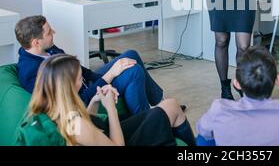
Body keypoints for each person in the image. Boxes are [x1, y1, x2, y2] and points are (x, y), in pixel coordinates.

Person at [24, 54, 196, 146]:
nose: (82, 80)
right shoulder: (74, 124)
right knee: (171, 107)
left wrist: (96, 101)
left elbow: (86, 126)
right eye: (79, 78)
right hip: (114, 140)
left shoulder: (48, 109)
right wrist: (110, 108)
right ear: (67, 86)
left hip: (101, 135)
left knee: (169, 105)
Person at [15, 15, 166, 116]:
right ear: (36, 42)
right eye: (49, 32)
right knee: (134, 72)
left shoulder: (47, 49)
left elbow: (79, 69)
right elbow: (78, 101)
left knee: (131, 55)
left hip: (87, 84)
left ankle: (159, 103)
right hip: (87, 98)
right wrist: (110, 75)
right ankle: (147, 117)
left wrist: (100, 77)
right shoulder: (32, 73)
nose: (53, 32)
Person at [196, 46, 279, 146]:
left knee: (205, 137)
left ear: (236, 83)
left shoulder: (219, 110)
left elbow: (201, 130)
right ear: (277, 79)